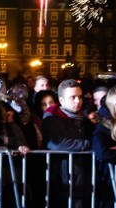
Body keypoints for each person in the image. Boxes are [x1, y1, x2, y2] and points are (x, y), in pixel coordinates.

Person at [41, 78, 93, 208]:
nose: (78, 101)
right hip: (63, 178)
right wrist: (87, 145)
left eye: (80, 97)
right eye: (73, 97)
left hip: (82, 176)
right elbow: (56, 143)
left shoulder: (83, 119)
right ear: (61, 100)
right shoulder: (52, 119)